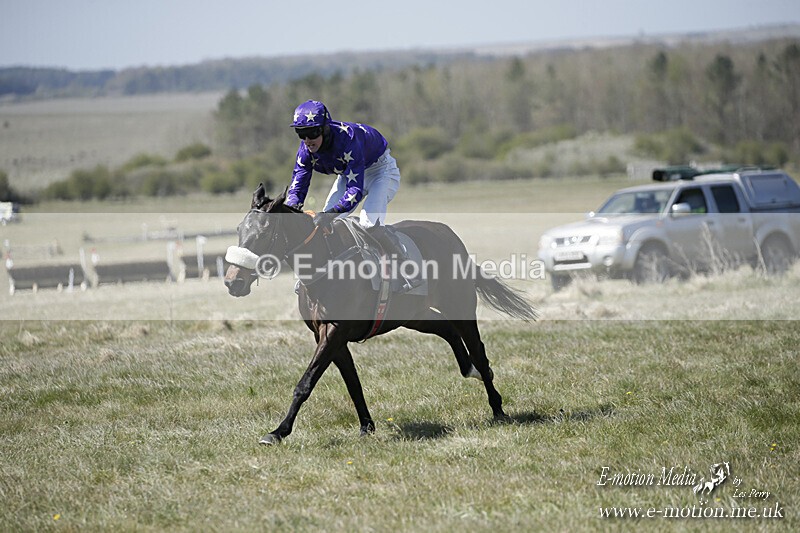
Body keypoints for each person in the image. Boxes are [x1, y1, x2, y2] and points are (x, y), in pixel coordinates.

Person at [285, 100, 410, 268]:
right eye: (301, 133)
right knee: (325, 226)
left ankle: (405, 264)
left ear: (325, 128)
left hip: (380, 171)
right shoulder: (305, 151)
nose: (307, 140)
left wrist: (329, 214)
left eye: (312, 132)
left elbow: (355, 190)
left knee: (368, 224)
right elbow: (298, 185)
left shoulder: (348, 140)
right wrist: (289, 211)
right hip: (348, 175)